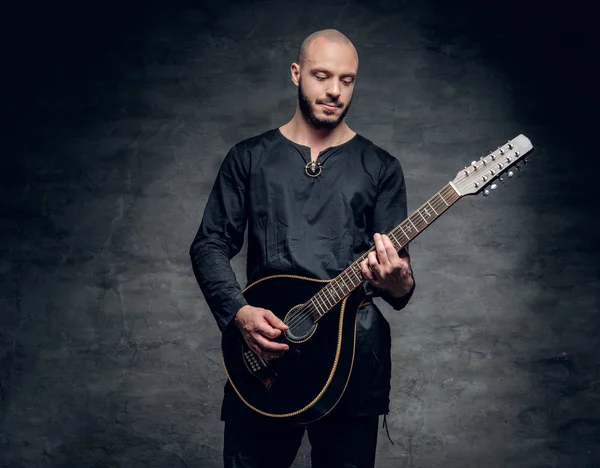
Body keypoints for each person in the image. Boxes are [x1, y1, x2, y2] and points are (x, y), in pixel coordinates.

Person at [189, 29, 415, 468]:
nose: (334, 90)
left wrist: (400, 281)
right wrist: (238, 312)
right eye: (322, 75)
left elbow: (398, 284)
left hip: (351, 365)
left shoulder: (381, 167)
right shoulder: (249, 158)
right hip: (268, 354)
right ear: (297, 74)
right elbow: (209, 244)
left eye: (346, 80)